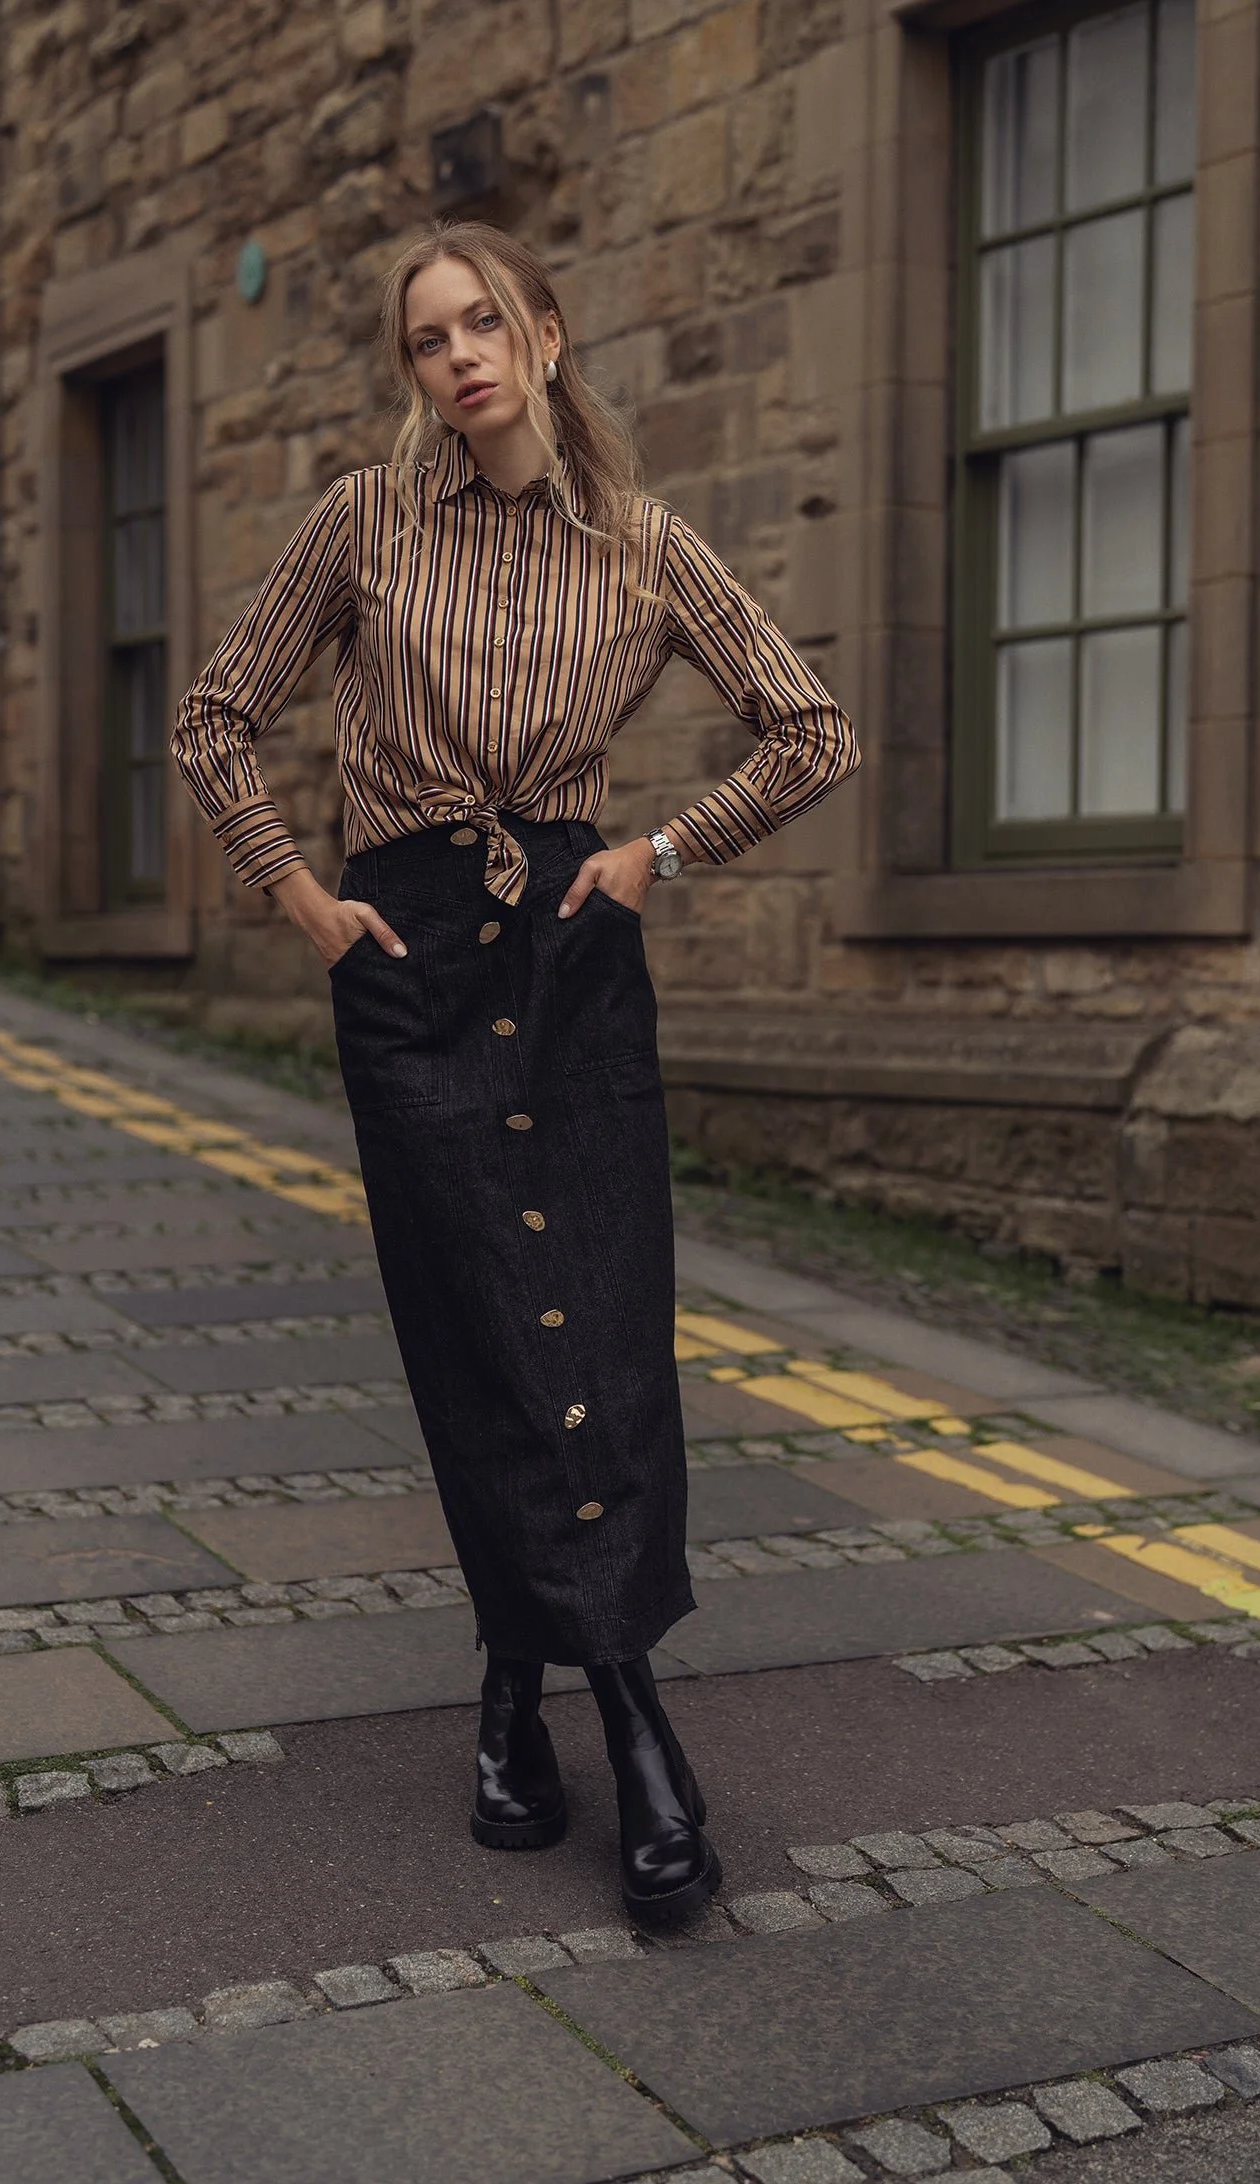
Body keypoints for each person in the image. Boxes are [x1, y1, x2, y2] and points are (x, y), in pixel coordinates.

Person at [173, 219, 860, 1926]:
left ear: (548, 338)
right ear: (412, 371)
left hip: (573, 950)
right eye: (428, 337)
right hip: (403, 958)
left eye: (488, 323)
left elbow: (814, 729)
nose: (460, 355)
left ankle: (576, 1706)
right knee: (480, 1333)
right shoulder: (363, 519)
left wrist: (663, 853)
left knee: (607, 1336)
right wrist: (302, 898)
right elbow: (213, 716)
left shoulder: (642, 543)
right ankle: (592, 1722)